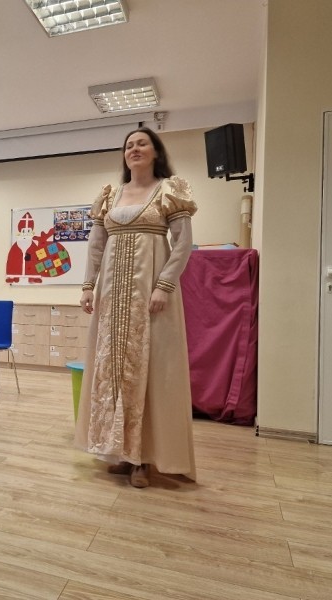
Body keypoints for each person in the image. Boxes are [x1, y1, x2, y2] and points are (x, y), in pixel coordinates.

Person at [75, 127, 197, 488]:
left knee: (151, 371)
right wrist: (88, 285)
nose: (134, 148)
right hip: (111, 298)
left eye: (142, 143)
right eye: (129, 145)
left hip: (151, 297)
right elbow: (96, 245)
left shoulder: (169, 190)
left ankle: (144, 458)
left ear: (156, 150)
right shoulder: (110, 195)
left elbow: (183, 244)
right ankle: (119, 452)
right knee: (111, 368)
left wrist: (164, 285)